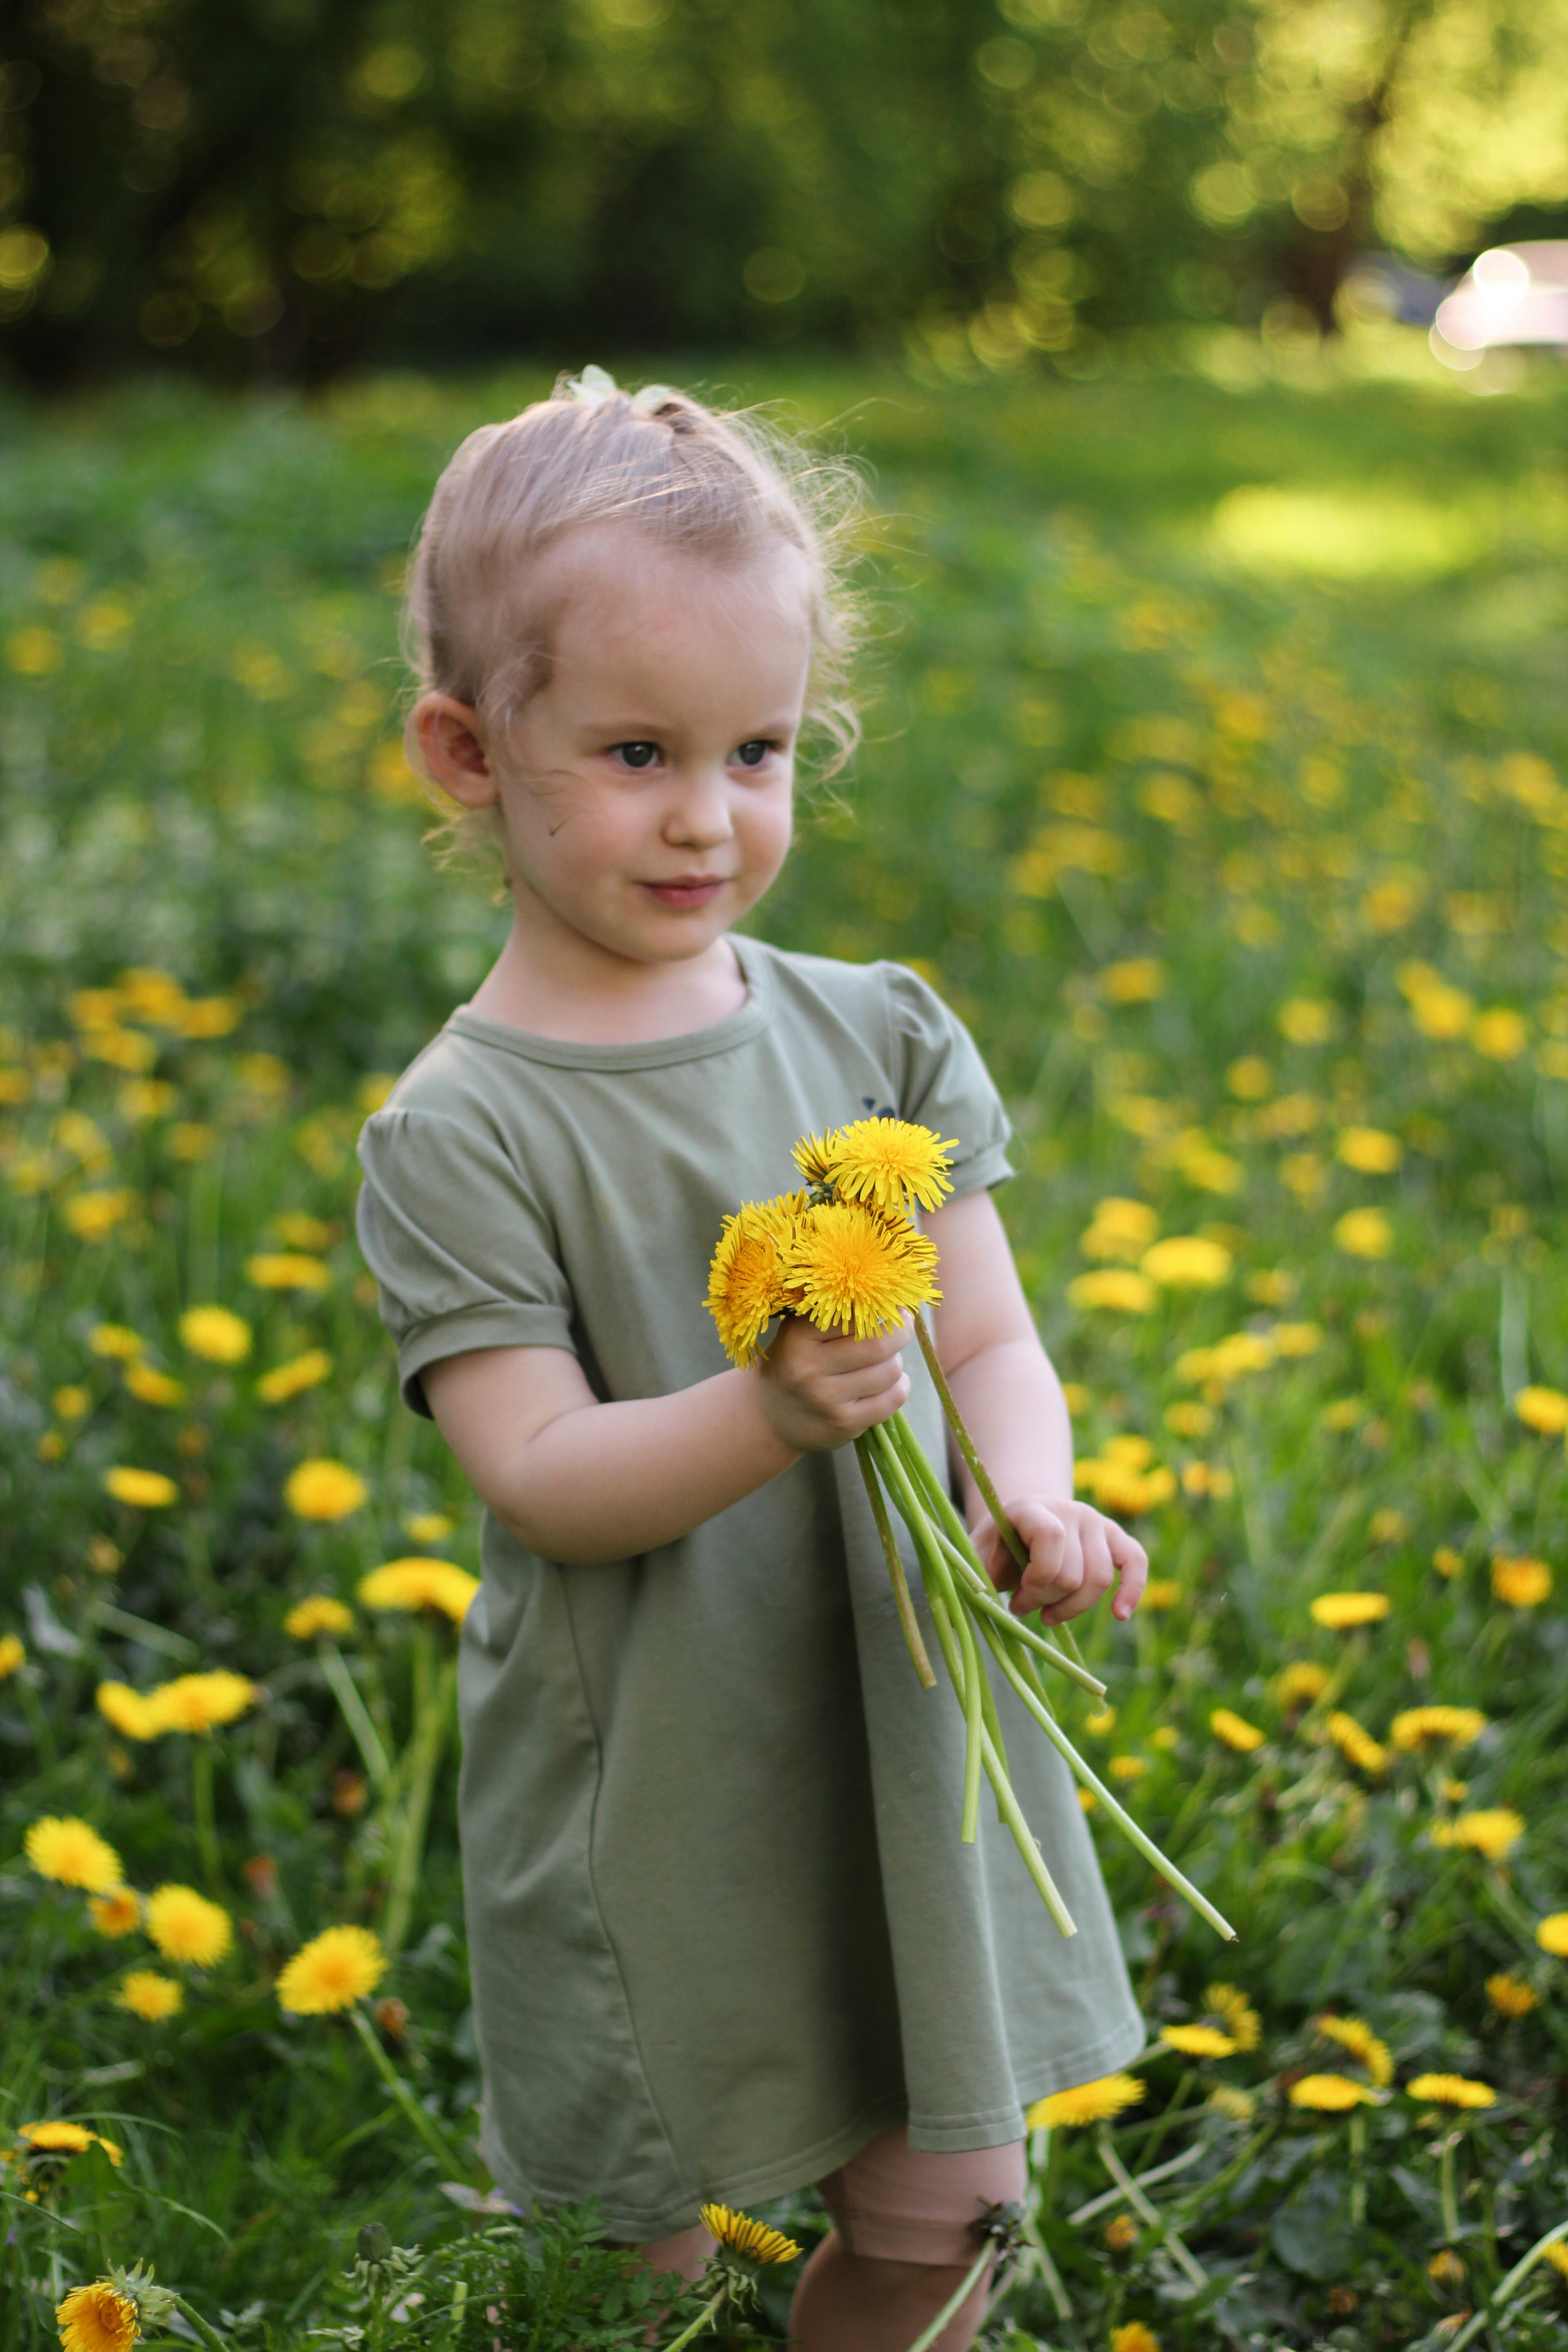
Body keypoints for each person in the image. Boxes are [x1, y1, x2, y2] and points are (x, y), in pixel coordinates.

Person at [356, 368, 1149, 2352]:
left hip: (894, 1724)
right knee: (629, 2251)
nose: (710, 813)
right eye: (636, 750)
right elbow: (536, 1471)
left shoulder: (873, 1034)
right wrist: (765, 1411)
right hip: (659, 1769)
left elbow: (988, 1332)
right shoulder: (462, 1129)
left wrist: (1024, 1486)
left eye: (760, 747)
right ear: (468, 750)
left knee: (949, 2207)